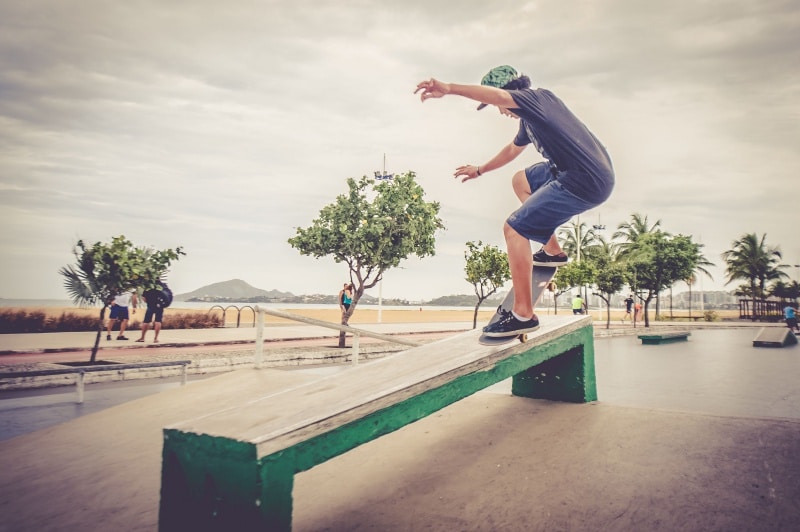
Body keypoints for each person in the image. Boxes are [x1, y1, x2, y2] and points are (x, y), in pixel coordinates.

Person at [416, 65, 614, 337]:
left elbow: (499, 98)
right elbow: (512, 149)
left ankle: (523, 314)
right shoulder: (530, 120)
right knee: (520, 181)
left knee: (515, 229)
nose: (500, 112)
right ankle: (553, 250)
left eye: (497, 105)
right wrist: (480, 169)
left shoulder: (536, 99)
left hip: (584, 180)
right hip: (575, 171)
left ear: (508, 92)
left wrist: (449, 89)